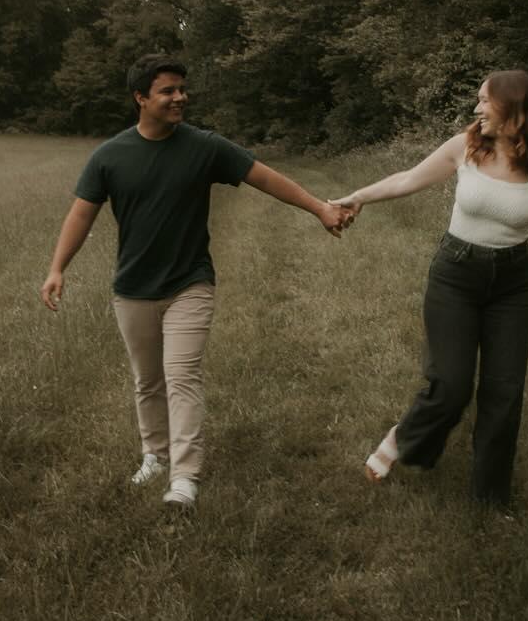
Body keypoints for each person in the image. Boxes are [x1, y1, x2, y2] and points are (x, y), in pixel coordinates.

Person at [41, 53, 354, 511]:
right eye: (167, 91)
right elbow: (81, 215)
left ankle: (184, 477)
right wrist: (57, 268)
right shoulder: (110, 156)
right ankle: (154, 455)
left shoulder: (204, 147)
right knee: (148, 381)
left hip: (190, 283)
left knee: (181, 376)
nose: (179, 98)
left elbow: (266, 179)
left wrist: (320, 209)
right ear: (140, 97)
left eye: (182, 89)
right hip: (132, 288)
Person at [334, 70, 528, 506]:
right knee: (450, 386)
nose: (477, 108)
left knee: (504, 393)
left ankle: (490, 497)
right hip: (455, 275)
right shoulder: (464, 147)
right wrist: (358, 196)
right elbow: (407, 179)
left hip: (512, 286)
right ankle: (403, 439)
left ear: (512, 107)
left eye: (485, 100)